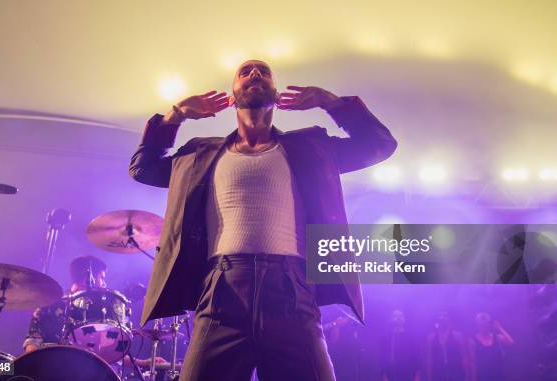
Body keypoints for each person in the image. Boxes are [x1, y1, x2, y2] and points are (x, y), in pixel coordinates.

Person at [129, 59, 398, 380]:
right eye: (245, 72)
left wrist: (332, 104)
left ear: (275, 92)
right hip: (220, 294)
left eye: (263, 72)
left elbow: (380, 145)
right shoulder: (198, 154)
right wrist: (176, 116)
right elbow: (143, 168)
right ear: (231, 95)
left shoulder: (310, 147)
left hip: (291, 293)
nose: (255, 74)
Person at [23, 255, 108, 352]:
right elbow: (32, 342)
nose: (104, 284)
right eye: (101, 278)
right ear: (87, 278)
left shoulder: (98, 311)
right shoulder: (49, 303)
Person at [469, 312, 513, 381]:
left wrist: (499, 328)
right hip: (482, 376)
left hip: (498, 375)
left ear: (489, 325)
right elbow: (473, 362)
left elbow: (510, 342)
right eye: (481, 325)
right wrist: (473, 379)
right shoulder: (473, 340)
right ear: (478, 325)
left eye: (486, 324)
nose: (484, 327)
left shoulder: (497, 337)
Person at [426, 312, 470, 381]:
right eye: (440, 318)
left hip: (456, 372)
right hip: (438, 373)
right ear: (438, 321)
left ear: (448, 320)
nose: (442, 319)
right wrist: (429, 378)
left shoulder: (457, 336)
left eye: (444, 317)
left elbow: (464, 357)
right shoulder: (431, 337)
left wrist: (467, 377)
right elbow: (429, 360)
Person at [379, 310, 421, 381]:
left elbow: (416, 356)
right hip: (392, 374)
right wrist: (384, 375)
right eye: (395, 316)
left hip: (408, 374)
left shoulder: (410, 336)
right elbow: (383, 357)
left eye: (400, 316)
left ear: (404, 319)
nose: (398, 318)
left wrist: (417, 375)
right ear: (391, 319)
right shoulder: (387, 337)